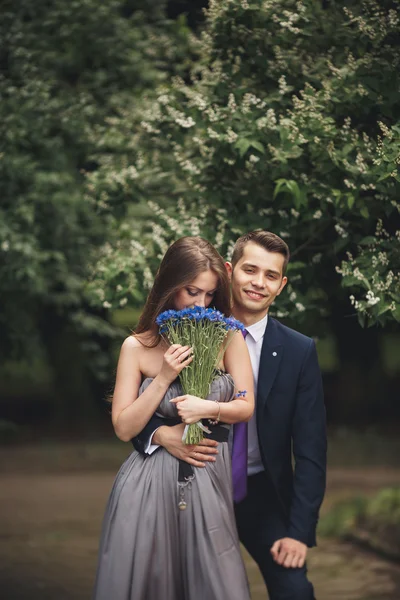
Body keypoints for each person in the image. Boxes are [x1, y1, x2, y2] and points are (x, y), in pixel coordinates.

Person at [135, 231, 327, 600]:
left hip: (255, 491)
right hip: (189, 479)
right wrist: (159, 436)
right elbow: (138, 408)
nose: (258, 282)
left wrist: (299, 533)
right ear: (229, 270)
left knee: (295, 591)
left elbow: (311, 450)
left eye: (271, 275)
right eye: (250, 270)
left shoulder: (299, 352)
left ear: (281, 285)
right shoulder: (181, 327)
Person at [93, 236, 255, 600]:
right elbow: (123, 427)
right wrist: (164, 380)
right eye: (191, 292)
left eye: (210, 295)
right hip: (147, 483)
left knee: (216, 580)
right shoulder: (137, 347)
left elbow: (245, 404)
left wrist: (208, 408)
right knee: (149, 581)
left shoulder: (228, 336)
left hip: (208, 474)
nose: (200, 305)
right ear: (169, 287)